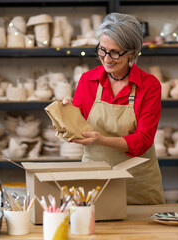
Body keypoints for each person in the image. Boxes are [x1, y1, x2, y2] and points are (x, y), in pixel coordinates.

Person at [63, 12, 164, 204]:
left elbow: (143, 140)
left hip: (137, 182)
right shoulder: (88, 80)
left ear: (132, 52)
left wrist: (102, 140)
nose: (107, 59)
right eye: (102, 50)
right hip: (95, 178)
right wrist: (66, 115)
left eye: (115, 52)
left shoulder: (149, 85)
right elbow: (77, 129)